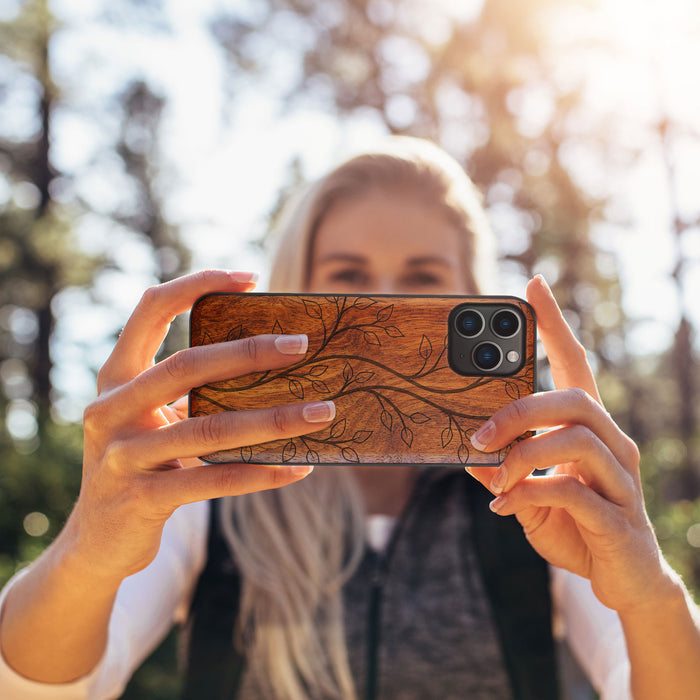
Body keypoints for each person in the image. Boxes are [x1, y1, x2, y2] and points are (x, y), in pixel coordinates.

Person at [0, 137, 698, 700]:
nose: (382, 309)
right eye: (348, 277)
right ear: (295, 290)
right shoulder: (207, 490)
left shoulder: (538, 495)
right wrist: (88, 551)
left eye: (423, 280)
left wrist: (650, 594)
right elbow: (42, 689)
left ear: (470, 294)